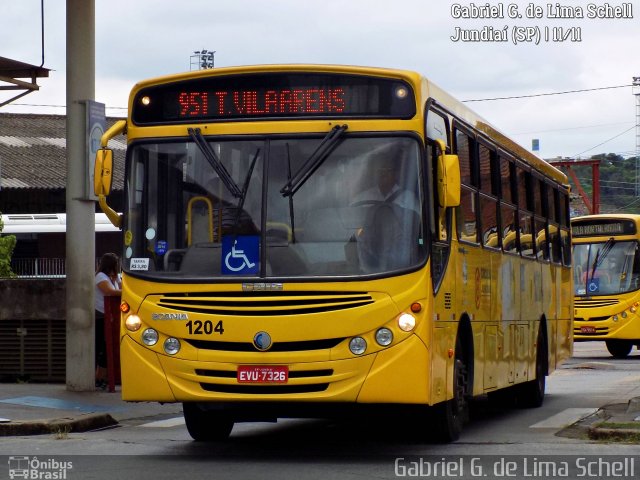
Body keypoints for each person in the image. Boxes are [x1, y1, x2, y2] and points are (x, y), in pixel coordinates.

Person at [95, 253, 122, 389]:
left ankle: (103, 376)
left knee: (108, 349)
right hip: (100, 316)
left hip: (113, 317)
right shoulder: (100, 277)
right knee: (101, 348)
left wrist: (118, 279)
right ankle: (98, 377)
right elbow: (109, 292)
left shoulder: (114, 278)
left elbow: (121, 288)